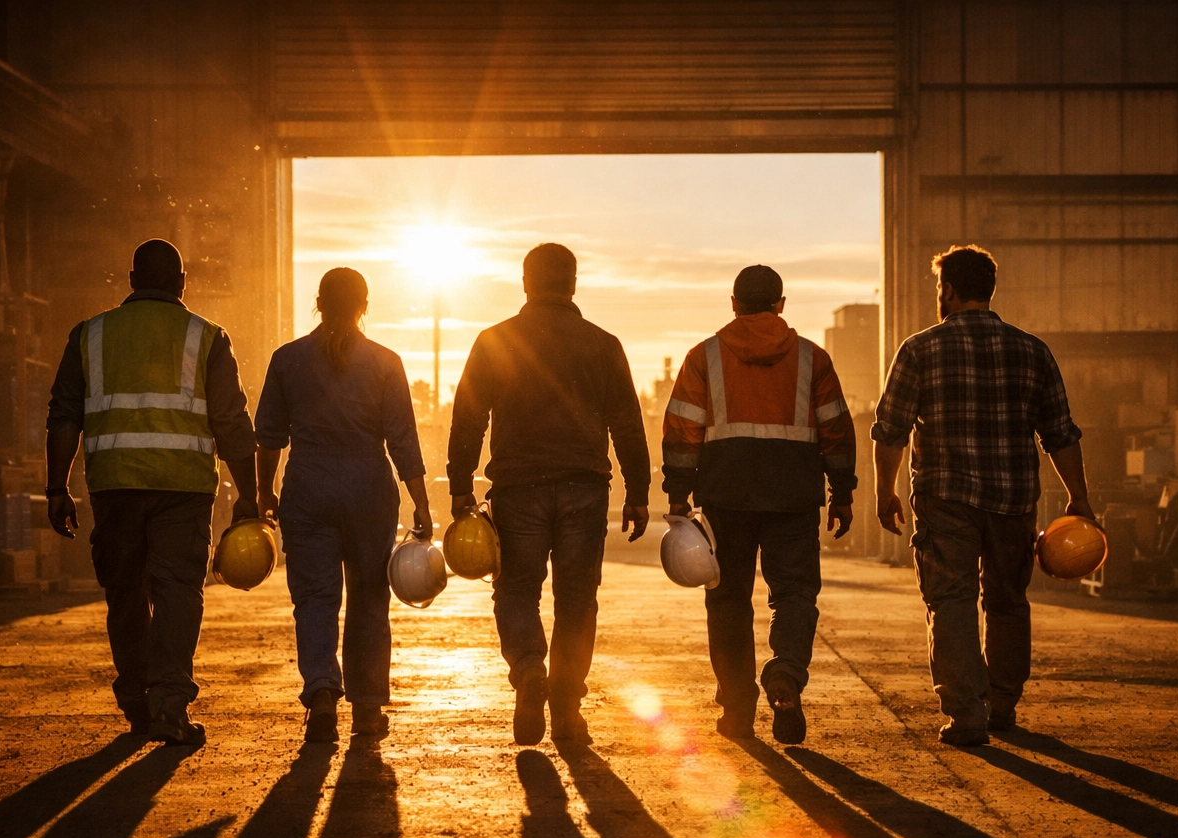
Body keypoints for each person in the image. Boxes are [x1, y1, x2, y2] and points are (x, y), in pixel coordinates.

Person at [872, 245, 1093, 746]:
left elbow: (891, 430)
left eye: (939, 287)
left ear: (948, 290)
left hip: (946, 498)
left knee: (951, 601)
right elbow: (1060, 433)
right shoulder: (1032, 351)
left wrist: (885, 490)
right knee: (1008, 600)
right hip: (1014, 500)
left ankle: (968, 714)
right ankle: (1003, 705)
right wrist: (1079, 498)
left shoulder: (919, 349)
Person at [46, 238, 258, 745]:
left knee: (125, 595)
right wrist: (250, 497)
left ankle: (137, 703)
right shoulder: (207, 336)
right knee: (178, 594)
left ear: (131, 280)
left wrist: (57, 488)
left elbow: (64, 416)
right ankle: (169, 705)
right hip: (183, 489)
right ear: (182, 283)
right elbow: (231, 422)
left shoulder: (90, 334)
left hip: (114, 487)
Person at [447, 243, 650, 747]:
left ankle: (529, 668)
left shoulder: (495, 340)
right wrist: (638, 491)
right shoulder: (603, 344)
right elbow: (627, 423)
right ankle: (567, 712)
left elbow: (468, 418)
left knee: (516, 590)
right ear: (573, 284)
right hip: (584, 488)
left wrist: (460, 488)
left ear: (525, 283)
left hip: (518, 489)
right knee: (577, 600)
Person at [661, 265, 857, 744]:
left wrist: (678, 494)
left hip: (725, 497)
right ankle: (785, 672)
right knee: (794, 594)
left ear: (733, 304)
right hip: (793, 497)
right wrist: (842, 491)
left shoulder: (704, 357)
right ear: (781, 305)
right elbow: (835, 428)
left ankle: (737, 709)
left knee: (728, 600)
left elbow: (682, 429)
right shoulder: (812, 359)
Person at [255, 267, 431, 744]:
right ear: (364, 306)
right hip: (369, 491)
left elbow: (268, 437)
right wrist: (420, 502)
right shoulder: (385, 362)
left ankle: (321, 693)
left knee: (315, 597)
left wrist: (264, 492)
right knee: (369, 598)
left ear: (318, 302)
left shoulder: (288, 360)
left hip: (307, 488)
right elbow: (403, 440)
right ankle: (368, 708)